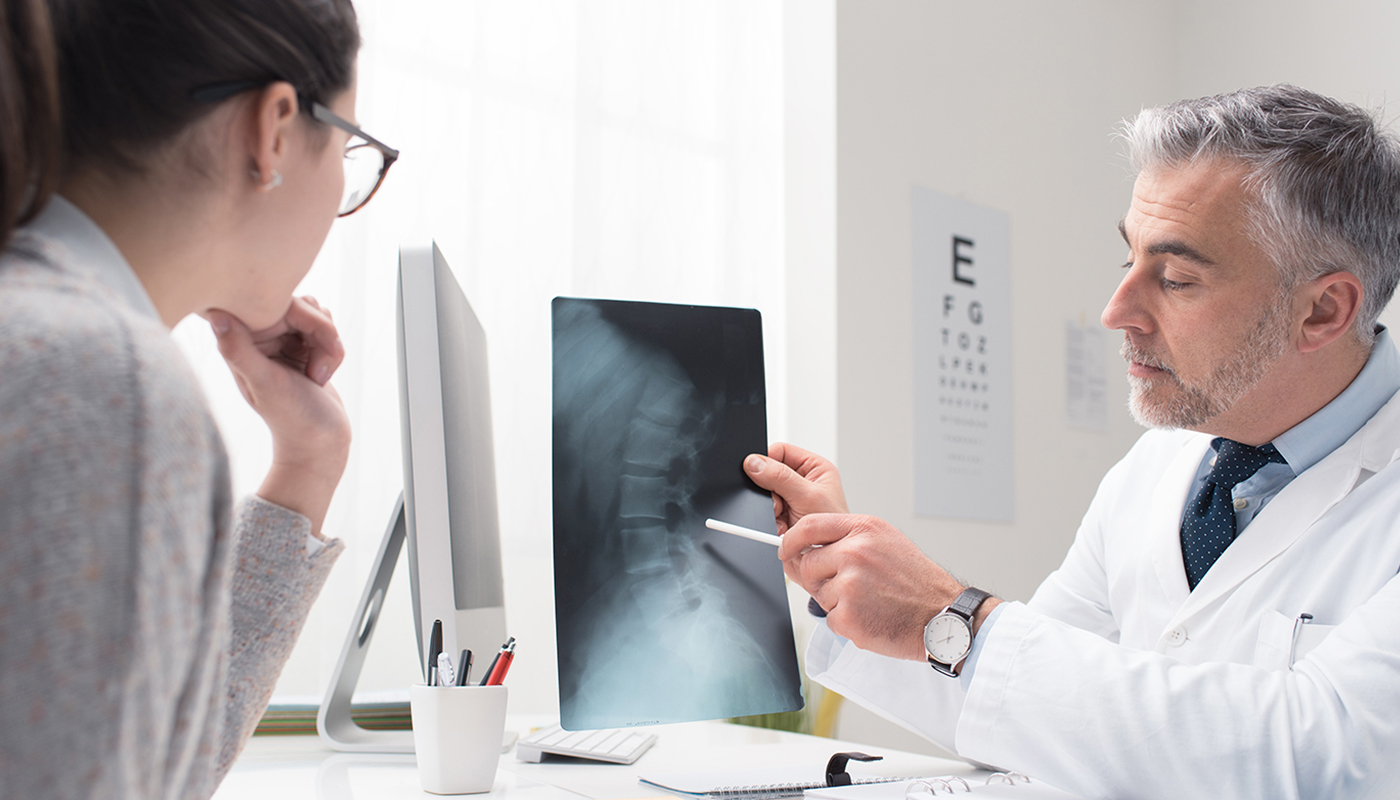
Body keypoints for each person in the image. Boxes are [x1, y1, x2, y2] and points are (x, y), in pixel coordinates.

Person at [746, 85, 1400, 799]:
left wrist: (951, 614)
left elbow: (1323, 756)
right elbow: (1016, 702)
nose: (1116, 312)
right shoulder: (1156, 471)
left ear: (1323, 310)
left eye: (1177, 278)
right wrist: (837, 569)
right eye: (1130, 261)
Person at [0, 0, 395, 796]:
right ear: (274, 129)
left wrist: (308, 461)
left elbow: (149, 756)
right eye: (351, 149)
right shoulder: (100, 380)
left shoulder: (47, 334)